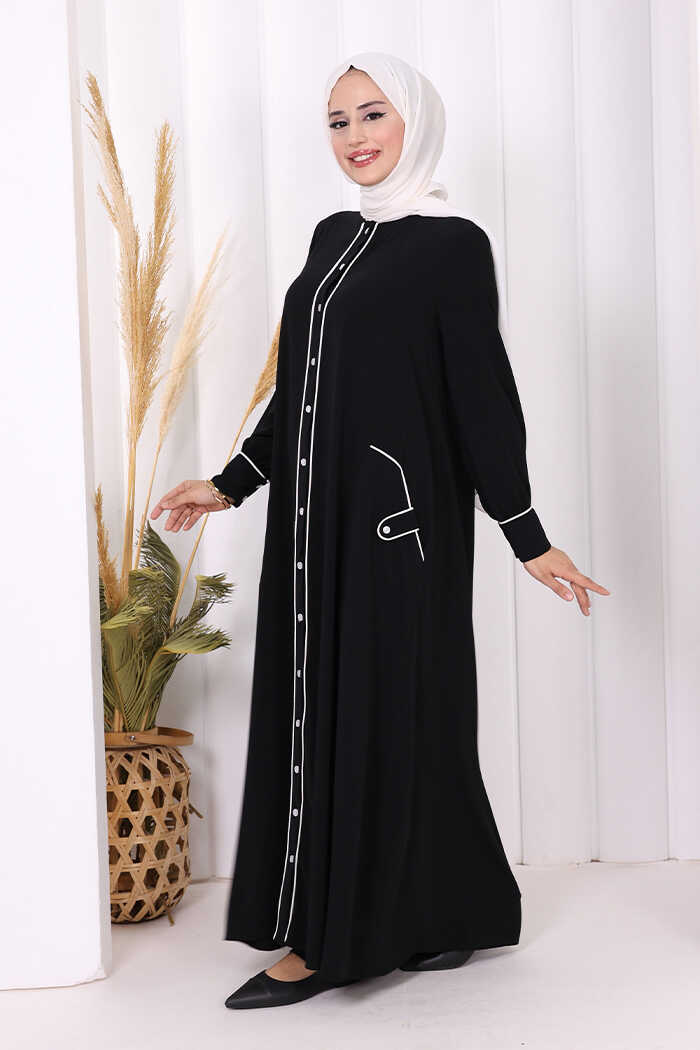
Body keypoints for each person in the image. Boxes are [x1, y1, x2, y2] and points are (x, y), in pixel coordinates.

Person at [151, 51, 610, 1010]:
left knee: (385, 708)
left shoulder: (453, 246)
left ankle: (331, 941)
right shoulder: (332, 236)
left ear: (414, 122)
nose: (354, 137)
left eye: (372, 115)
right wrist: (232, 482)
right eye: (338, 121)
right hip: (314, 526)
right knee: (372, 709)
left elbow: (482, 394)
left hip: (400, 531)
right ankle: (453, 910)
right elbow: (302, 387)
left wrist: (527, 534)